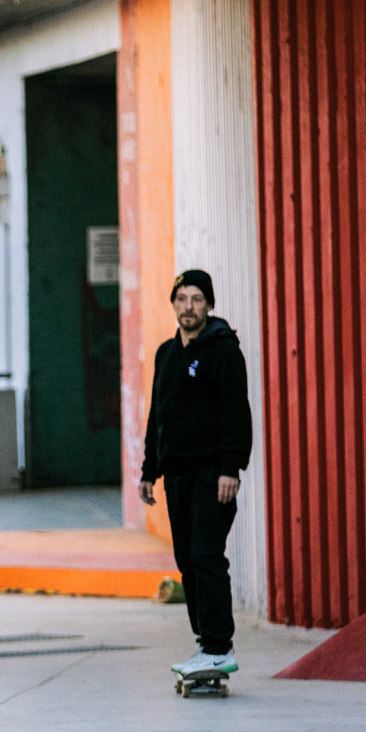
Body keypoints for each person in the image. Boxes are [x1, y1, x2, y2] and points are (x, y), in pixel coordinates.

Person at [139, 268, 252, 682]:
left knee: (206, 555)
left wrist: (230, 468)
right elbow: (159, 416)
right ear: (173, 304)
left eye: (197, 299)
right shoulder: (167, 354)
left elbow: (236, 412)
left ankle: (220, 647)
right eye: (182, 299)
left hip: (212, 474)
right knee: (187, 559)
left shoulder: (223, 351)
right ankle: (206, 644)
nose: (189, 307)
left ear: (209, 305)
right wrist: (150, 470)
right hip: (178, 475)